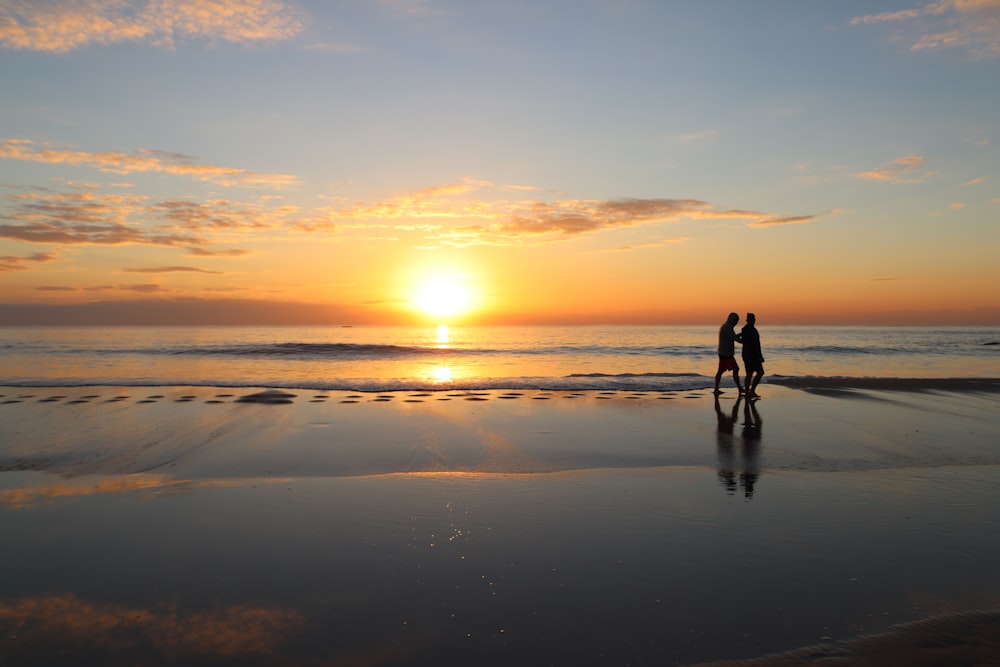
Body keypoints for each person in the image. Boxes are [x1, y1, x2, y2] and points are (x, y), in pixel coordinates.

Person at [713, 312, 742, 394]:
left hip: (722, 352)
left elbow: (732, 336)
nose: (736, 323)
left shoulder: (726, 326)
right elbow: (735, 338)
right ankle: (739, 389)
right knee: (735, 369)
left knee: (721, 371)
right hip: (726, 353)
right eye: (735, 321)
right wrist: (746, 340)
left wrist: (739, 335)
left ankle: (716, 389)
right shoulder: (728, 327)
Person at [740, 313, 764, 398]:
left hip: (746, 355)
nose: (754, 320)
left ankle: (748, 392)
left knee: (749, 373)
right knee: (760, 372)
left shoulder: (744, 329)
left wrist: (734, 337)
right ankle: (752, 390)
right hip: (753, 355)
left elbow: (742, 341)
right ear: (750, 320)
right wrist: (760, 356)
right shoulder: (752, 330)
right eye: (753, 319)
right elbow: (756, 344)